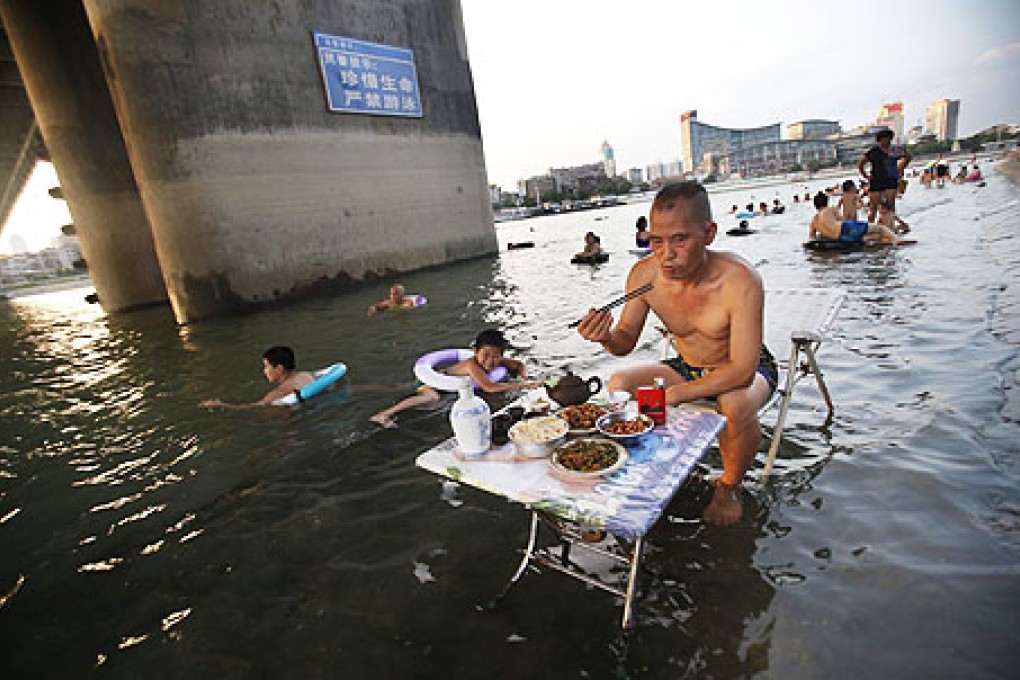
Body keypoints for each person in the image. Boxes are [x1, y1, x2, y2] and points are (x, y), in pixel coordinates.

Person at [575, 181, 778, 526]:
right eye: (656, 241)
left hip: (747, 369)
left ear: (709, 233)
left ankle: (728, 488)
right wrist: (605, 337)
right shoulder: (644, 276)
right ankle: (640, 474)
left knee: (734, 403)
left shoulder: (740, 279)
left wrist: (674, 395)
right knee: (620, 382)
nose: (666, 254)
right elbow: (624, 340)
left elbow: (743, 370)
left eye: (680, 239)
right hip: (689, 365)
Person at [368, 329, 541, 428]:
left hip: (447, 384)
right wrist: (523, 385)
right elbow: (489, 387)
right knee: (431, 398)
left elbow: (518, 365)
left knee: (397, 388)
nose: (490, 361)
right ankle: (383, 415)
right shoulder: (471, 365)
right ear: (475, 351)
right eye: (485, 355)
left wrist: (525, 375)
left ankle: (365, 387)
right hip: (434, 383)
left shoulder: (496, 360)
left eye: (496, 356)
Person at [200, 346, 314, 410]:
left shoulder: (280, 392)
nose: (264, 371)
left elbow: (252, 408)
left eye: (266, 366)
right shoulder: (306, 375)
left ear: (279, 369)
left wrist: (222, 405)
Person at [808, 192, 914, 245]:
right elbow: (844, 221)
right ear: (826, 202)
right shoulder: (830, 209)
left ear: (815, 206)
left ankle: (886, 240)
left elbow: (812, 237)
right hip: (844, 228)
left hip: (840, 238)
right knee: (881, 228)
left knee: (870, 238)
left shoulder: (813, 221)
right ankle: (897, 240)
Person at [858, 129, 912, 222]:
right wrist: (865, 175)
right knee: (873, 207)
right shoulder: (874, 151)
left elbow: (908, 157)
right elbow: (861, 163)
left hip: (890, 179)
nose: (886, 141)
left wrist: (900, 168)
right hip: (876, 179)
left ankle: (890, 226)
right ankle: (870, 228)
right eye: (883, 139)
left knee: (890, 206)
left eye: (887, 138)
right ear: (879, 140)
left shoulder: (895, 150)